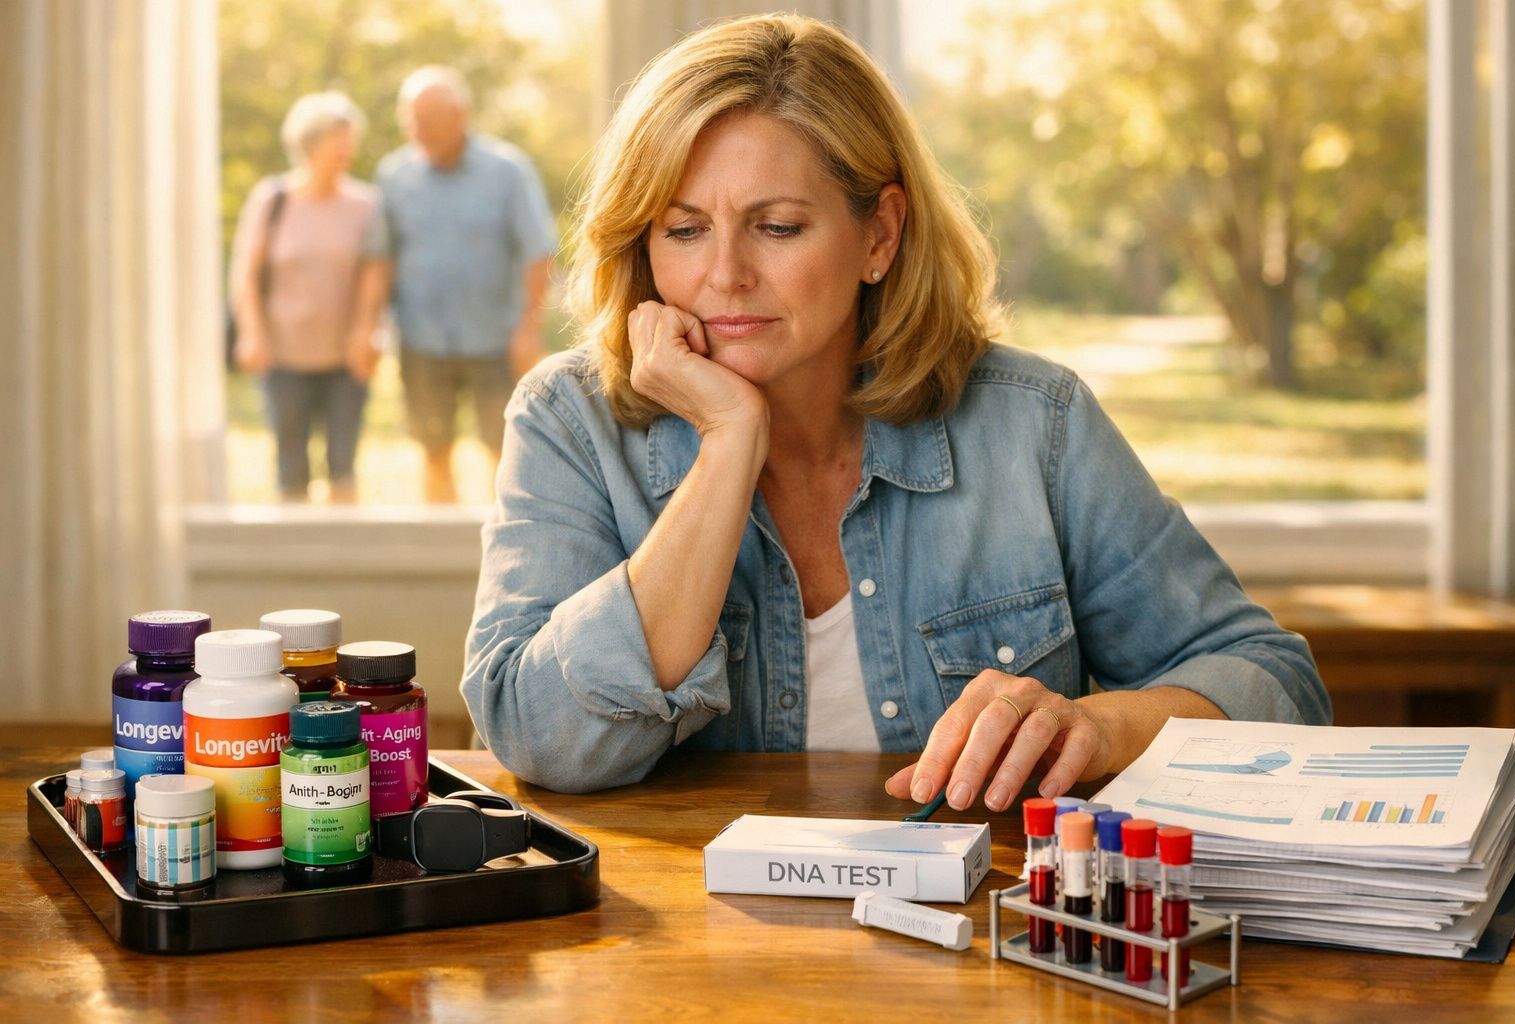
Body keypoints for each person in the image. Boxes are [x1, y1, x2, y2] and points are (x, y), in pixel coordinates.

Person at [460, 15, 1330, 798]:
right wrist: (730, 442)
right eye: (683, 230)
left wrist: (1098, 729)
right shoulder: (569, 421)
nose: (723, 275)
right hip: (683, 959)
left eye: (778, 226)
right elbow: (543, 741)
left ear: (880, 234)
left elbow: (1278, 692)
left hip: (974, 949)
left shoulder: (1033, 425)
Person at [352, 66, 557, 503]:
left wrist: (528, 329)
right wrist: (368, 327)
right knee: (432, 450)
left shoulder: (507, 171)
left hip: (495, 341)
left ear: (460, 115)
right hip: (421, 339)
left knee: (506, 453)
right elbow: (380, 259)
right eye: (411, 119)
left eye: (427, 119)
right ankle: (439, 557)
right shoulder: (394, 175)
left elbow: (539, 252)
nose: (417, 130)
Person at [230, 91, 377, 503]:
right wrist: (251, 334)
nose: (348, 148)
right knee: (290, 465)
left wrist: (366, 333)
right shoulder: (272, 199)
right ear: (310, 144)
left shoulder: (365, 205)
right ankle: (294, 561)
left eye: (350, 138)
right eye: (338, 138)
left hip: (346, 360)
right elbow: (245, 273)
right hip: (283, 356)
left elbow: (374, 276)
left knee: (343, 466)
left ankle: (344, 559)